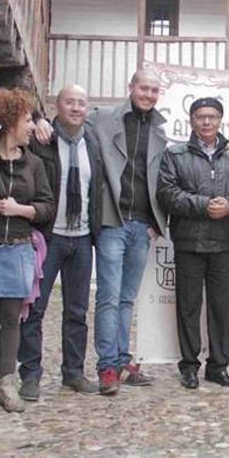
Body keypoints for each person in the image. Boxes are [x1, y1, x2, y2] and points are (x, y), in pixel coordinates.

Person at [157, 97, 229, 389]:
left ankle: (218, 366)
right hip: (189, 241)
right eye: (200, 117)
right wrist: (203, 205)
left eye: (212, 117)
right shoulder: (174, 154)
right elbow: (167, 193)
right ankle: (189, 366)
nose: (206, 122)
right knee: (189, 306)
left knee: (219, 306)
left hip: (223, 242)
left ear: (220, 120)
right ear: (191, 120)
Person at [0, 88, 55, 413]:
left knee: (12, 318)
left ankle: (8, 383)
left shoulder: (35, 163)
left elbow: (47, 207)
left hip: (19, 248)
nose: (32, 126)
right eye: (28, 119)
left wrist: (21, 210)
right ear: (8, 121)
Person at [17, 84, 104, 401]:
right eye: (70, 102)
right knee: (34, 309)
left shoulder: (92, 142)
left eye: (82, 102)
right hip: (48, 237)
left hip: (81, 239)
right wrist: (37, 117)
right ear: (58, 105)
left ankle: (74, 373)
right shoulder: (42, 139)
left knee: (78, 311)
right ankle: (30, 375)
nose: (76, 108)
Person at [93, 70, 168, 394]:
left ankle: (123, 360)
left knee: (126, 299)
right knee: (109, 297)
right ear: (131, 88)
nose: (148, 94)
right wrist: (41, 121)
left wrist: (156, 222)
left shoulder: (160, 132)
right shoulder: (104, 118)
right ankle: (107, 366)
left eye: (154, 90)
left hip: (142, 225)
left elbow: (162, 181)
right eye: (144, 88)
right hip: (114, 221)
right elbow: (70, 120)